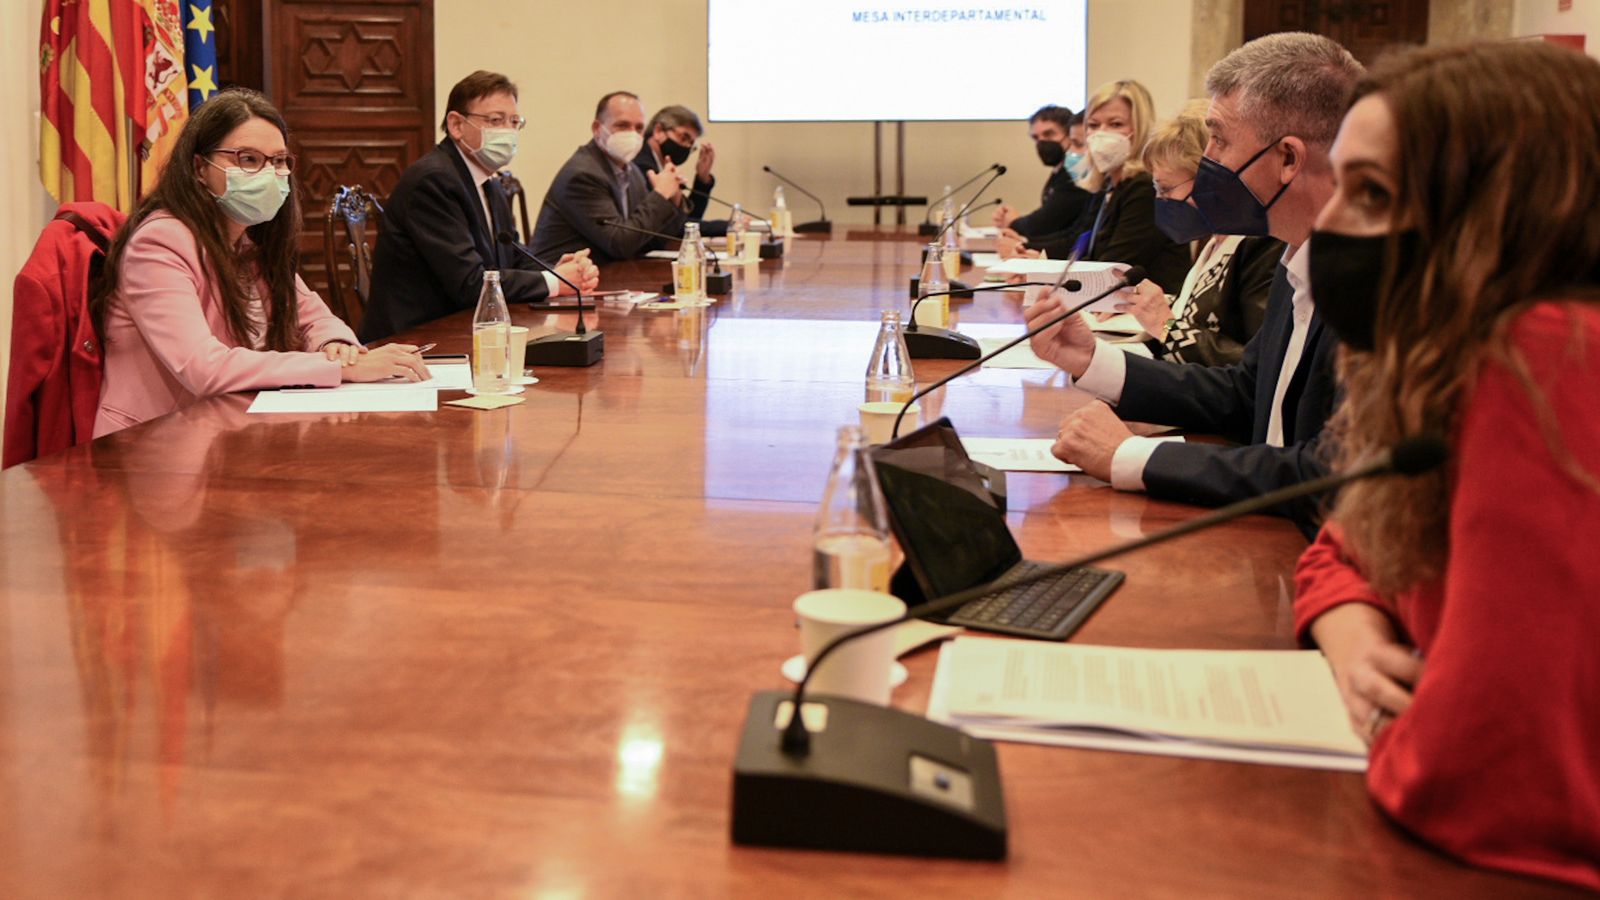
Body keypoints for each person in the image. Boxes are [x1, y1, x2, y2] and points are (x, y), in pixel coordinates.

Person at [1293, 41, 1599, 890]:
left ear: (1503, 215)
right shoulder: (1443, 358)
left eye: (1373, 194)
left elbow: (1484, 787)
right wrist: (1355, 641)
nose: (1327, 226)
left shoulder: (1549, 357)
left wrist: (1394, 723)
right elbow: (1343, 546)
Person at [1026, 34, 1362, 536]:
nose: (1206, 160)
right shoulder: (1297, 257)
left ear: (1288, 159)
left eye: (1219, 140)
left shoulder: (1374, 284)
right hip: (1265, 536)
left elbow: (1328, 474)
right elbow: (1244, 395)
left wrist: (1130, 456)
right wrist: (1091, 359)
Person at [91, 89, 429, 437]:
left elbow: (313, 317)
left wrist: (337, 347)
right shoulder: (159, 243)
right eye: (249, 159)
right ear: (199, 168)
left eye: (279, 161)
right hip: (151, 443)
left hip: (227, 431)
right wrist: (339, 369)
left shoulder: (246, 241)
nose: (269, 173)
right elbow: (204, 367)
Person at [360, 71, 599, 342]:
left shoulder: (488, 182)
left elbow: (513, 255)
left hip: (463, 329)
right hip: (416, 339)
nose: (508, 131)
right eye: (495, 120)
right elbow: (471, 284)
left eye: (514, 122)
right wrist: (554, 282)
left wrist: (557, 271)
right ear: (456, 125)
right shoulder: (433, 181)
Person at [1115, 102, 1281, 365]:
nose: (1160, 200)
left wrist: (1164, 325)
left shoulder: (1260, 245)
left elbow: (1255, 365)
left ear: (1211, 181)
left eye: (1165, 189)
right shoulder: (1214, 241)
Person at [1004, 81, 1191, 294]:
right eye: (1093, 125)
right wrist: (1038, 261)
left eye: (1116, 124)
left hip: (1152, 309)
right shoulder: (1108, 184)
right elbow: (1083, 247)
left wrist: (1041, 270)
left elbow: (1113, 269)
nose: (1101, 134)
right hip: (1111, 305)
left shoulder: (1146, 187)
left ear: (1140, 129)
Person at [530, 91, 688, 263]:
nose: (632, 135)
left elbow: (646, 240)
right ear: (597, 128)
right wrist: (660, 195)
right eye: (622, 126)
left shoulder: (632, 172)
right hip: (558, 274)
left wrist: (674, 199)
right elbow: (619, 244)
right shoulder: (583, 175)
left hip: (605, 271)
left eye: (639, 128)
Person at [992, 105, 1090, 241]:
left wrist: (1014, 222)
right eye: (1036, 137)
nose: (1041, 142)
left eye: (1048, 134)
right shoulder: (1058, 171)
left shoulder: (1075, 173)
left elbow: (1047, 222)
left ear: (1069, 135)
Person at [635, 105, 727, 237]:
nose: (686, 147)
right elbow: (670, 228)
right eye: (683, 138)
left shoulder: (662, 167)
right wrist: (728, 226)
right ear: (658, 131)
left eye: (691, 144)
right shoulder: (642, 166)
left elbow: (687, 220)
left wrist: (702, 179)